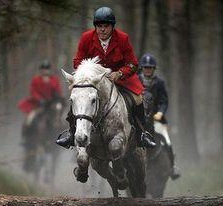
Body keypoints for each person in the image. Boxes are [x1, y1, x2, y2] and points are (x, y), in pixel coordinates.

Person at [56, 6, 156, 149]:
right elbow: (77, 61)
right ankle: (71, 134)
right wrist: (90, 71)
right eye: (99, 26)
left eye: (106, 26)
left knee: (138, 99)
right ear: (95, 26)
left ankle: (142, 134)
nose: (102, 29)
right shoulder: (86, 38)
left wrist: (119, 73)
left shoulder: (122, 38)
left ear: (112, 27)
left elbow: (133, 63)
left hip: (120, 79)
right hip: (94, 80)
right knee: (78, 97)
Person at [139, 53, 180, 180]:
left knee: (167, 140)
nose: (148, 70)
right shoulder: (136, 80)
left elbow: (164, 101)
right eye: (146, 67)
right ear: (142, 68)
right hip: (139, 118)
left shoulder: (159, 83)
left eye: (150, 68)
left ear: (153, 68)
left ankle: (172, 167)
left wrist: (160, 113)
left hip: (156, 118)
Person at [18, 59, 64, 138]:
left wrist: (56, 97)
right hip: (38, 104)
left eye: (47, 68)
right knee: (29, 119)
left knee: (60, 113)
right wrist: (40, 99)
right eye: (44, 69)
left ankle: (62, 132)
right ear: (41, 70)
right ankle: (26, 137)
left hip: (52, 104)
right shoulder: (36, 79)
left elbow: (58, 91)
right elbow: (33, 92)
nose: (45, 71)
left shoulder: (54, 79)